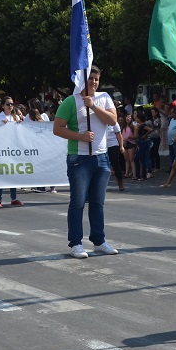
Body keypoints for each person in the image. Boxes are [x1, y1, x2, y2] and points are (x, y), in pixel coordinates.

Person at [52, 65, 119, 259]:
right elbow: (57, 128)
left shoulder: (104, 98)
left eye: (97, 79)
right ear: (82, 80)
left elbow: (113, 120)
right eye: (91, 79)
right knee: (78, 202)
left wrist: (93, 106)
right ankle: (75, 243)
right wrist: (80, 136)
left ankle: (99, 241)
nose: (94, 82)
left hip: (101, 157)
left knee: (98, 203)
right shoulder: (70, 101)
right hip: (79, 158)